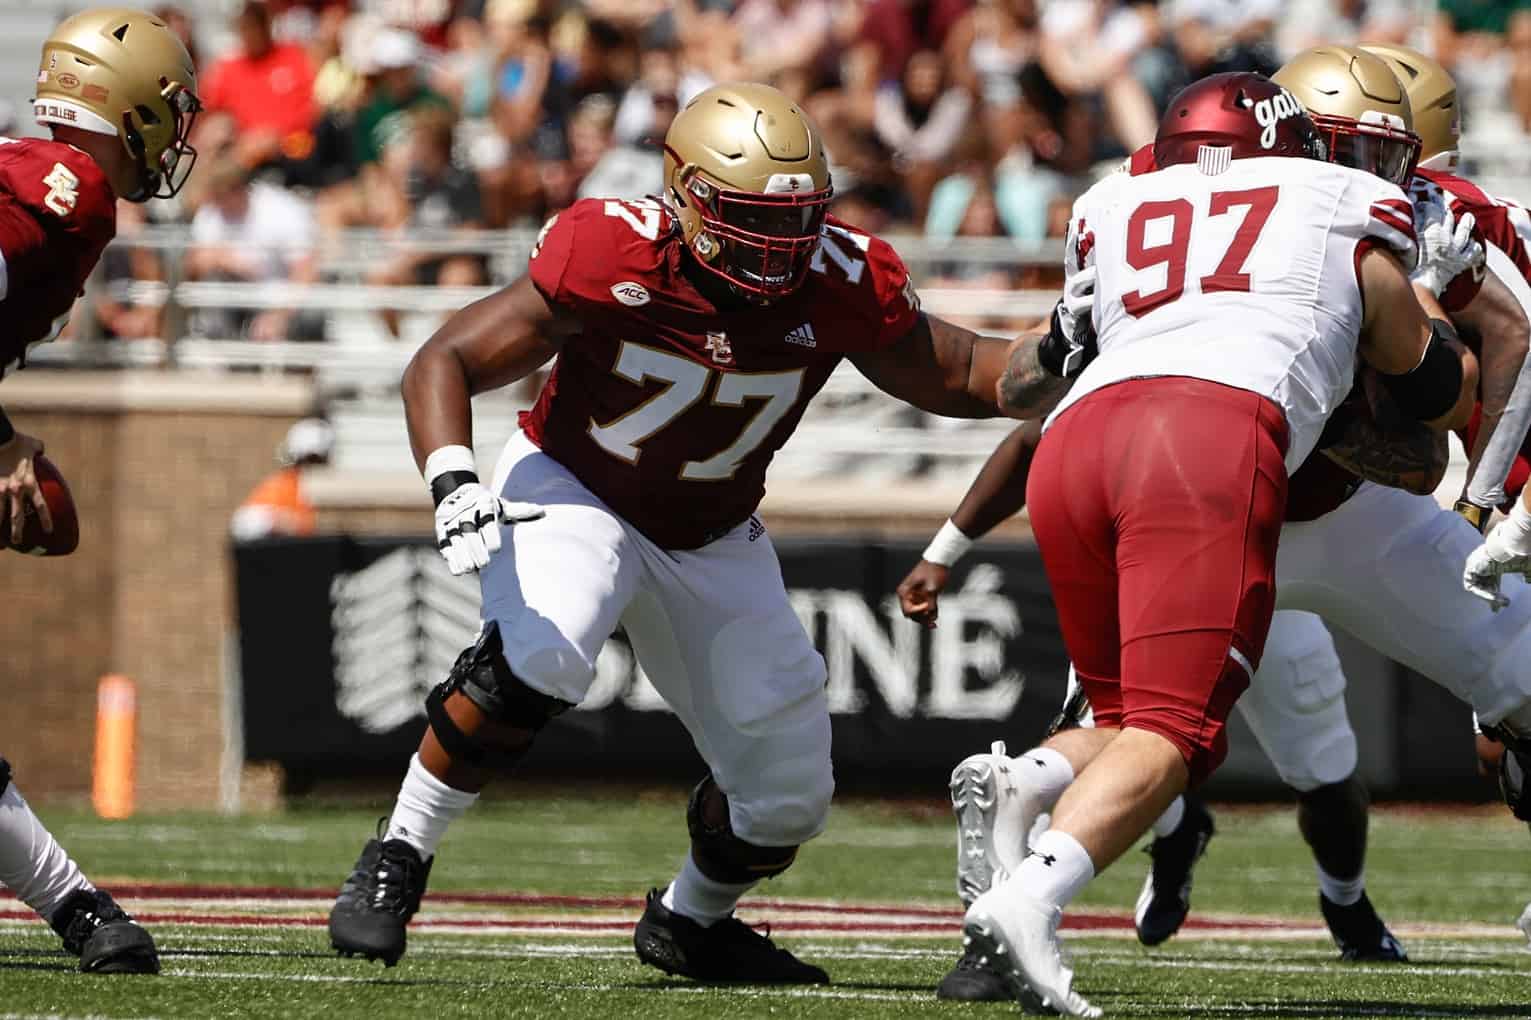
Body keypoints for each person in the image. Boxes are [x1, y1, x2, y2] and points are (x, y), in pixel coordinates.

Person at [325, 82, 1014, 980]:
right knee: (545, 651)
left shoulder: (842, 278)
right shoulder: (614, 248)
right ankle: (400, 852)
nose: (776, 244)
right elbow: (446, 356)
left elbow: (964, 371)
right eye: (747, 217)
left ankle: (690, 921)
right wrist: (451, 479)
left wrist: (1068, 347)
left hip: (714, 532)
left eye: (796, 217)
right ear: (684, 194)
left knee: (787, 799)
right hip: (577, 487)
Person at [965, 71, 1474, 1017]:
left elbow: (1024, 380)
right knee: (1176, 730)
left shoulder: (1116, 204)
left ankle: (1025, 781)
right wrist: (1429, 296)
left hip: (1075, 444)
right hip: (1206, 432)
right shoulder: (1337, 200)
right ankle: (1028, 897)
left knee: (1119, 718)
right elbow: (1439, 394)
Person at [0, 5, 199, 975]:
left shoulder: (45, 182)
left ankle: (82, 910)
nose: (176, 133)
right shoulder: (66, 189)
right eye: (169, 110)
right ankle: (82, 911)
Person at [230, 417, 335, 541]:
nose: (317, 467)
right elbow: (243, 523)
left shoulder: (302, 489)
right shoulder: (282, 485)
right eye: (314, 460)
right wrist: (283, 522)